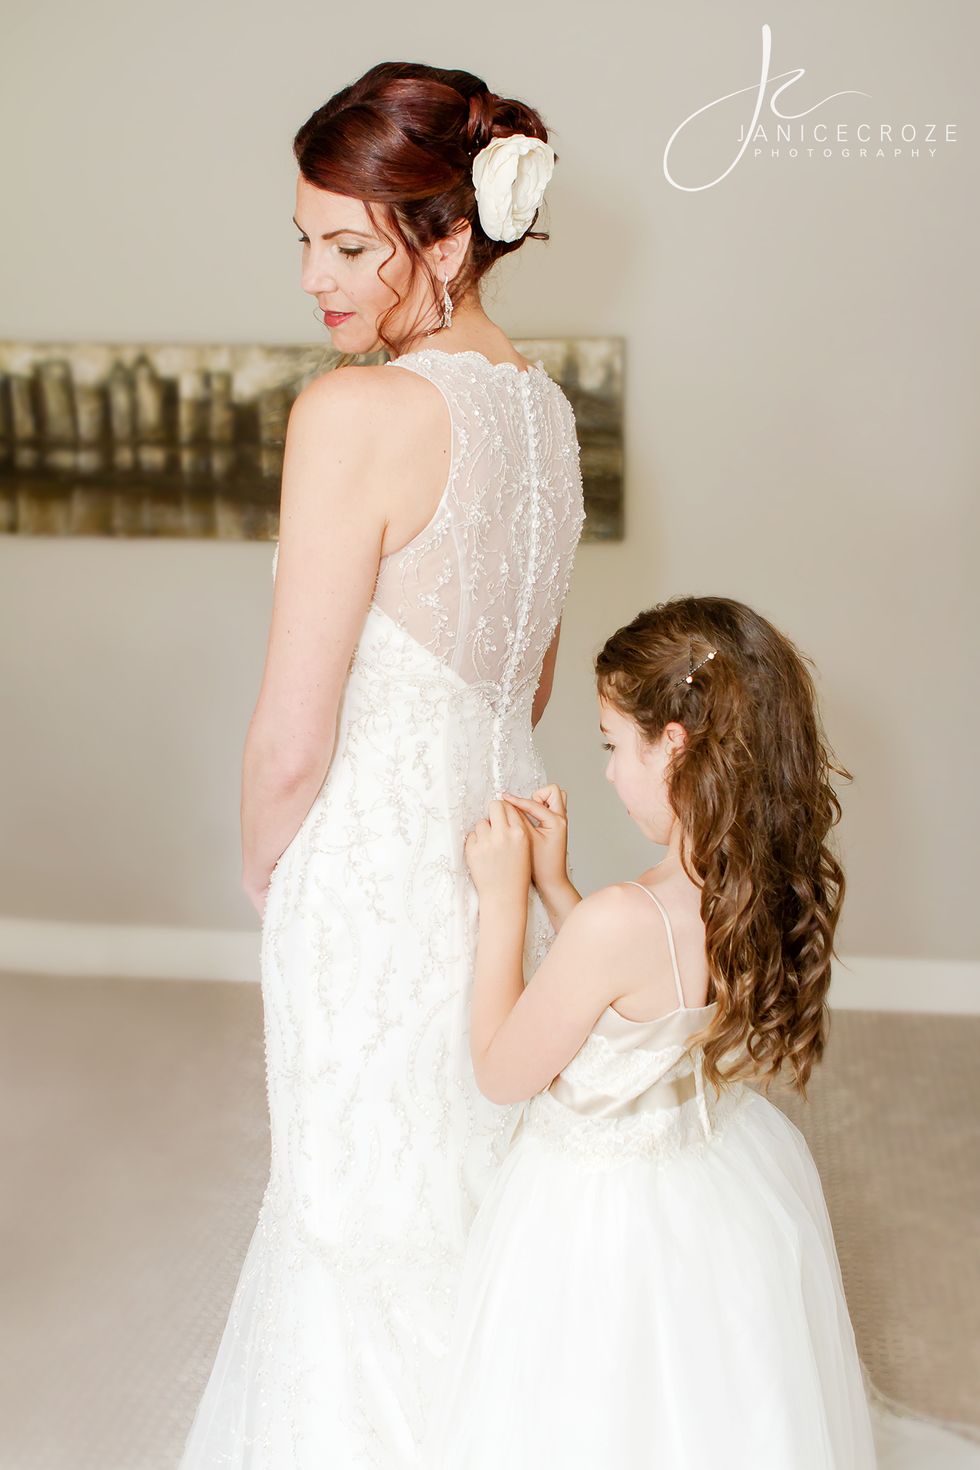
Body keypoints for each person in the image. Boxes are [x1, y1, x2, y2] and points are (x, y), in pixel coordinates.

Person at [176, 62, 585, 1469]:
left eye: (350, 247)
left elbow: (294, 734)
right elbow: (527, 678)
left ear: (450, 236)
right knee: (481, 1181)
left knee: (356, 1209)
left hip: (371, 868)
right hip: (500, 836)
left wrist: (266, 868)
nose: (314, 278)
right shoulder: (542, 409)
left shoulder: (353, 415)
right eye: (304, 241)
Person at [421, 595, 980, 1469]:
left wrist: (503, 902)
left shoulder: (621, 919)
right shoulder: (749, 886)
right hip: (707, 1181)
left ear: (673, 746)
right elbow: (637, 1005)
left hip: (599, 1214)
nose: (609, 773)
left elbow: (501, 1071)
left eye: (614, 745)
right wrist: (558, 887)